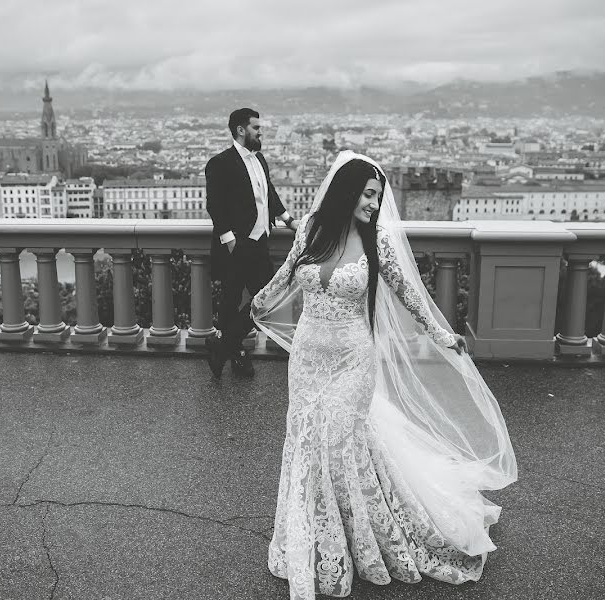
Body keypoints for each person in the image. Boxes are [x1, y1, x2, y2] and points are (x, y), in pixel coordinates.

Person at [252, 152, 517, 600]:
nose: (375, 204)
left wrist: (441, 334)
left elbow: (409, 295)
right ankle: (316, 533)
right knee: (306, 441)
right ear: (347, 191)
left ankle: (360, 539)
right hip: (309, 356)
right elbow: (287, 274)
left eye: (379, 197)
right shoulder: (311, 231)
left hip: (354, 357)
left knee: (340, 438)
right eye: (369, 195)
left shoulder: (377, 244)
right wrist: (257, 302)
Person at [205, 107, 298, 378]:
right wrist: (229, 240)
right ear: (241, 130)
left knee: (265, 301)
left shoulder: (260, 160)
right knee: (231, 300)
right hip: (236, 245)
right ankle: (235, 355)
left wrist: (290, 220)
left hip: (258, 244)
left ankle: (222, 347)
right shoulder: (220, 162)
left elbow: (269, 196)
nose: (261, 132)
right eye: (256, 128)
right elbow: (215, 205)